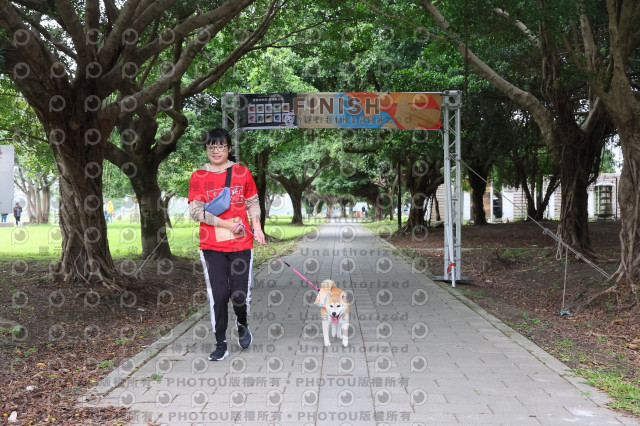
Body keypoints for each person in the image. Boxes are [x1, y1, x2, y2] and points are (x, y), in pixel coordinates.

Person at [188, 128, 266, 361]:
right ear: (206, 149)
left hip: (242, 244)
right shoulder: (198, 176)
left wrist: (257, 227)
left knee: (239, 294)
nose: (216, 150)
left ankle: (242, 323)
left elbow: (252, 202)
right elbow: (196, 212)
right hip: (211, 246)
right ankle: (220, 342)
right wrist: (226, 225)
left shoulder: (242, 172)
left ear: (229, 148)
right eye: (211, 146)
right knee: (219, 294)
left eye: (221, 146)